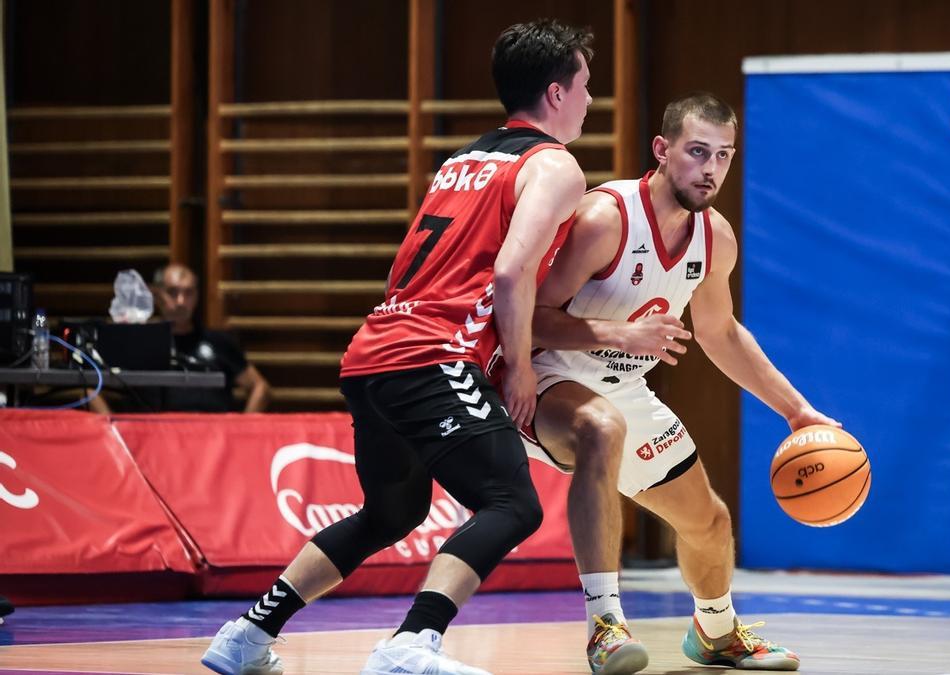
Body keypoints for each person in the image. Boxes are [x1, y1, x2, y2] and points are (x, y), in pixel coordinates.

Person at [201, 18, 593, 675]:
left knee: (392, 509)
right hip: (432, 355)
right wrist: (519, 368)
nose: (589, 100)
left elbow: (403, 269)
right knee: (513, 502)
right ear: (556, 95)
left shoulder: (462, 161)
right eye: (585, 87)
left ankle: (246, 632)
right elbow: (510, 271)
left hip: (374, 350)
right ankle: (413, 641)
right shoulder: (555, 165)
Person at [519, 92, 836, 674]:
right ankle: (605, 627)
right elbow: (526, 317)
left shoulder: (715, 237)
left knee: (709, 522)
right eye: (697, 152)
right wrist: (620, 334)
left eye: (723, 155)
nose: (711, 168)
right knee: (600, 427)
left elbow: (719, 333)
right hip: (544, 374)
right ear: (662, 151)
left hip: (623, 385)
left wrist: (796, 411)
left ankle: (716, 632)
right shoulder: (605, 218)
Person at [88, 263, 271, 414]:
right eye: (173, 292)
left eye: (188, 293)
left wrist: (239, 432)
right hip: (151, 444)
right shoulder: (136, 341)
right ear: (157, 294)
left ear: (197, 296)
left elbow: (260, 387)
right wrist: (112, 430)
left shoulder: (219, 343)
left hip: (210, 446)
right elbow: (91, 387)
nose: (181, 301)